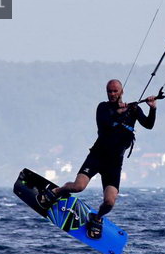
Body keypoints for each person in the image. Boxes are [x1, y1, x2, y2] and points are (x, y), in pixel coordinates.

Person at [38, 79, 157, 239]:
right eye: (110, 91)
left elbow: (148, 125)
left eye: (115, 91)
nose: (112, 94)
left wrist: (153, 108)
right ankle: (56, 191)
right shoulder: (103, 108)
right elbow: (105, 124)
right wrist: (119, 113)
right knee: (78, 187)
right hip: (97, 156)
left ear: (122, 92)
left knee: (109, 202)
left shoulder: (134, 110)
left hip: (114, 163)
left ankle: (97, 218)